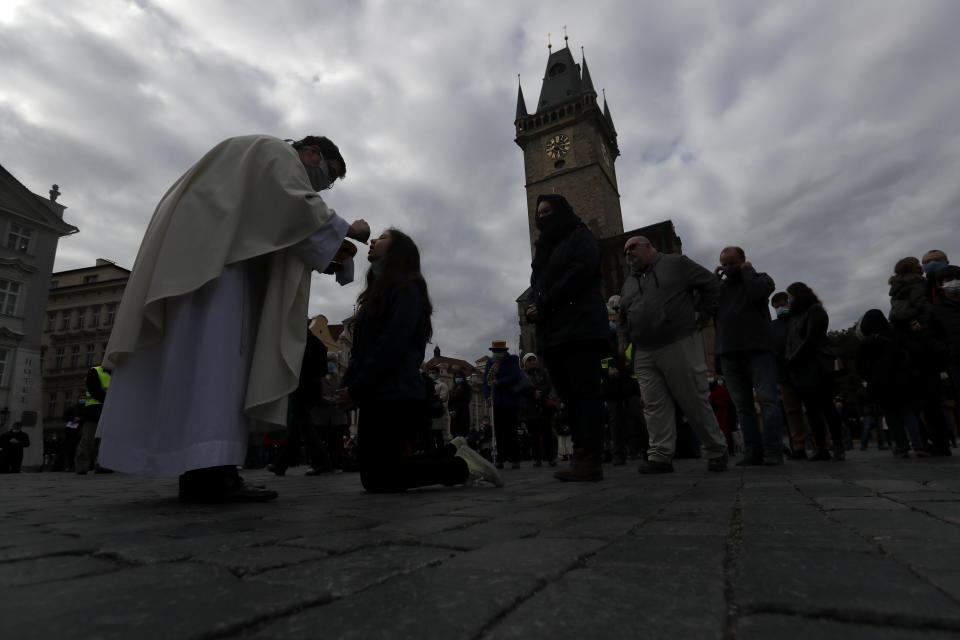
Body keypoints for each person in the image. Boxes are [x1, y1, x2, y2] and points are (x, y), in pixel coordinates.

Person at [96, 134, 371, 502]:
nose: (325, 185)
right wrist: (349, 229)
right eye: (329, 175)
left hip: (200, 261)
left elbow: (266, 227)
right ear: (312, 152)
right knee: (218, 365)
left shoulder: (245, 157)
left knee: (191, 367)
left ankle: (200, 467)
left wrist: (320, 254)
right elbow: (293, 205)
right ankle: (210, 473)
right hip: (217, 274)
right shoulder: (274, 152)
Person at [332, 229, 502, 491]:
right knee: (375, 476)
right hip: (374, 393)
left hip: (396, 393)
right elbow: (360, 351)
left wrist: (357, 388)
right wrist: (348, 388)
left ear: (399, 251)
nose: (374, 240)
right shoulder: (375, 294)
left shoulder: (407, 289)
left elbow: (392, 345)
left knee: (383, 477)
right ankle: (450, 452)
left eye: (383, 237)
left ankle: (462, 468)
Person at [617, 236, 729, 474]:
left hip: (677, 341)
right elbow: (623, 317)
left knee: (693, 399)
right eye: (625, 250)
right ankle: (660, 456)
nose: (628, 252)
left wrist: (704, 315)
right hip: (644, 351)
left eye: (632, 247)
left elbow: (710, 283)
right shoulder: (628, 283)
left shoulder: (676, 263)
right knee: (653, 405)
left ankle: (716, 450)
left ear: (649, 246)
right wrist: (624, 340)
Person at [524, 194, 609, 482]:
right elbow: (538, 284)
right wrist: (534, 307)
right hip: (554, 332)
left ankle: (592, 458)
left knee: (585, 393)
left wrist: (545, 302)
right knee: (570, 398)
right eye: (539, 213)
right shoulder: (545, 247)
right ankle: (581, 456)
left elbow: (581, 271)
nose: (543, 216)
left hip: (580, 327)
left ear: (561, 211)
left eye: (548, 211)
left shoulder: (580, 236)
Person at [713, 246, 785, 466]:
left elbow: (757, 293)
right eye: (724, 264)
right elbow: (707, 311)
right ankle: (752, 452)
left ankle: (773, 451)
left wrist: (747, 271)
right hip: (729, 353)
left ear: (744, 261)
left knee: (768, 401)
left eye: (732, 263)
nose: (728, 268)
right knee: (743, 406)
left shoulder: (759, 279)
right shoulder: (721, 288)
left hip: (758, 350)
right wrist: (713, 282)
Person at [889, 257, 951, 455]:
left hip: (904, 339)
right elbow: (922, 304)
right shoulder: (916, 283)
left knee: (918, 397)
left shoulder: (896, 287)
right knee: (933, 395)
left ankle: (924, 440)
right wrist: (928, 322)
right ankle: (941, 442)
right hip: (919, 336)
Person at [784, 282, 845, 460]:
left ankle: (838, 445)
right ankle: (821, 447)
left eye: (790, 296)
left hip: (816, 365)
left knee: (827, 407)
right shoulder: (794, 316)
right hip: (801, 369)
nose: (789, 300)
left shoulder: (815, 311)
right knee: (811, 410)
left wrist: (793, 358)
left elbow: (811, 339)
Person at [856, 309, 927, 457]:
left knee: (891, 416)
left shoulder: (865, 343)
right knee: (908, 413)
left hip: (879, 384)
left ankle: (901, 447)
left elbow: (860, 367)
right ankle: (918, 445)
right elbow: (911, 352)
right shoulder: (894, 336)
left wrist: (869, 378)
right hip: (901, 380)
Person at [770, 292, 810, 459]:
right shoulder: (772, 326)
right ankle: (799, 446)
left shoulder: (801, 320)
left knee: (812, 408)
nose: (780, 308)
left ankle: (823, 443)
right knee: (792, 411)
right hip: (783, 374)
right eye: (777, 307)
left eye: (782, 305)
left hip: (804, 370)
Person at [482, 340, 524, 469]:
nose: (496, 354)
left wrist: (499, 382)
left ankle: (514, 458)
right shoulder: (490, 362)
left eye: (499, 351)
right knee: (499, 431)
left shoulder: (512, 359)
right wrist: (488, 396)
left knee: (511, 430)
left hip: (510, 400)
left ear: (504, 351)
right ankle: (500, 458)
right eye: (495, 351)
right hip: (497, 401)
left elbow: (516, 375)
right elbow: (485, 381)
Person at [517, 353, 555, 467]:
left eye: (534, 360)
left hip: (543, 405)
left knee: (547, 433)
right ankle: (537, 458)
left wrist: (540, 392)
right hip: (530, 407)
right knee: (534, 435)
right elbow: (520, 388)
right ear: (525, 363)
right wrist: (533, 393)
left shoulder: (543, 372)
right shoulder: (521, 375)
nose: (533, 362)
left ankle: (550, 457)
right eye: (530, 360)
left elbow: (548, 385)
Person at [75, 364, 111, 474]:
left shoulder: (116, 372)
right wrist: (110, 399)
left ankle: (102, 465)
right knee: (88, 440)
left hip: (108, 410)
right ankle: (81, 466)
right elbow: (94, 390)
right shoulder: (95, 371)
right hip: (94, 411)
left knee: (105, 441)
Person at [427, 365, 451, 450]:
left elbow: (443, 398)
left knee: (438, 434)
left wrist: (431, 402)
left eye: (433, 373)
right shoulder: (426, 384)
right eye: (429, 373)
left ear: (438, 374)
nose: (431, 374)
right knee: (429, 436)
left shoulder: (442, 385)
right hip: (428, 414)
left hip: (438, 414)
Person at [447, 369, 473, 440]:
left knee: (462, 436)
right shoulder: (453, 389)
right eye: (456, 377)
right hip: (454, 415)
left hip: (462, 414)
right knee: (455, 435)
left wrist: (456, 411)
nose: (457, 379)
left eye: (459, 377)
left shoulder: (466, 388)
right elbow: (450, 402)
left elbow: (465, 402)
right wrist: (451, 411)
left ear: (463, 378)